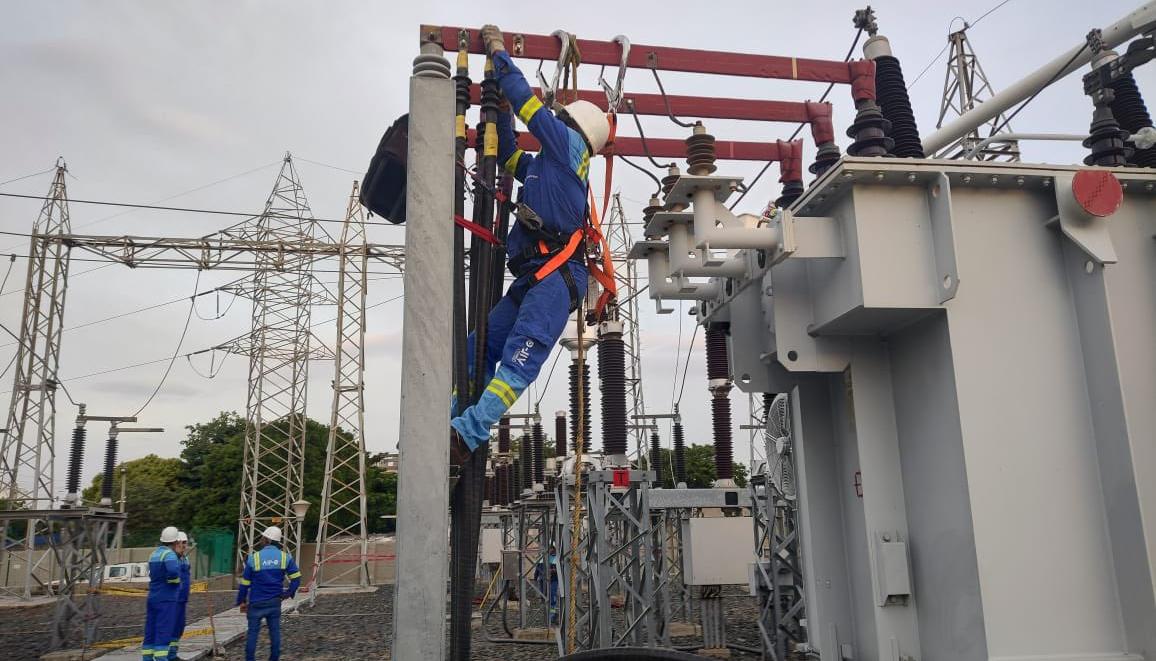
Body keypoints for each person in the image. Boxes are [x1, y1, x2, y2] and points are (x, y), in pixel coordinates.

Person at [450, 24, 611, 463]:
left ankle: (466, 435)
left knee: (518, 362)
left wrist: (501, 59)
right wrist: (499, 108)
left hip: (557, 279)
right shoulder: (547, 166)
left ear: (572, 125)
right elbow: (507, 155)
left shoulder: (571, 147)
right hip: (534, 278)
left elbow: (530, 106)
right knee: (477, 347)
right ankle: (451, 417)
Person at [236, 526, 301, 661]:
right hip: (274, 603)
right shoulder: (285, 558)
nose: (261, 538)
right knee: (275, 633)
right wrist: (289, 593)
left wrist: (241, 600)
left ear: (267, 539)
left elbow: (245, 583)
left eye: (263, 537)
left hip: (256, 603)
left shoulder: (254, 558)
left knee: (253, 634)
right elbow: (296, 577)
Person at [143, 526, 181, 661]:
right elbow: (173, 572)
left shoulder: (154, 554)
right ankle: (161, 659)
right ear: (176, 542)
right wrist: (175, 581)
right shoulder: (169, 554)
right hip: (166, 598)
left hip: (153, 596)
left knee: (150, 631)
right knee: (164, 631)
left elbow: (150, 573)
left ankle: (147, 658)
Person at [167, 531, 192, 660]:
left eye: (185, 543)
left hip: (182, 600)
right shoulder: (171, 558)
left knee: (179, 627)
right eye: (182, 543)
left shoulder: (185, 558)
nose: (184, 546)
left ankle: (173, 654)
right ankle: (168, 654)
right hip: (173, 600)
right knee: (171, 627)